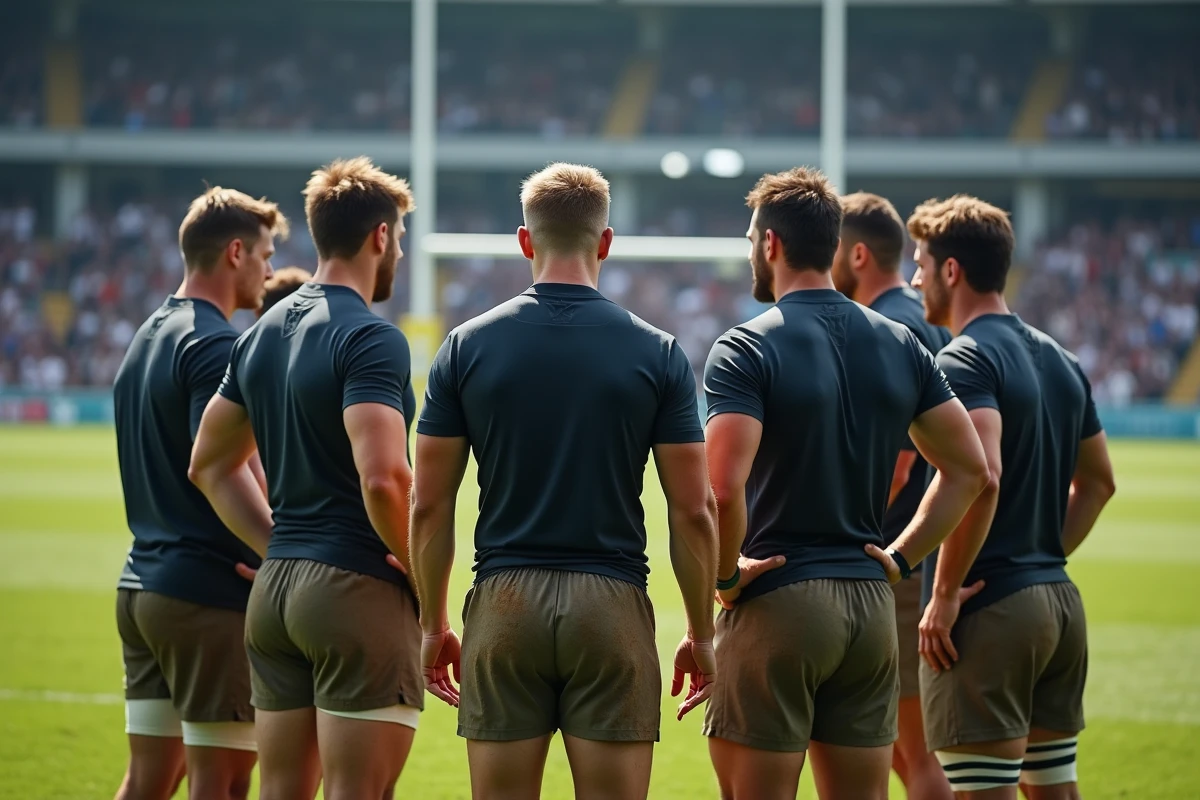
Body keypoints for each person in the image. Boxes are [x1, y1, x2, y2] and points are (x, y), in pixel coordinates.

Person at [408, 162, 719, 800]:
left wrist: (432, 625)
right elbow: (694, 511)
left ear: (525, 241)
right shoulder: (658, 353)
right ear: (605, 243)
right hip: (611, 603)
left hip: (503, 603)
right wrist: (700, 632)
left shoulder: (465, 347)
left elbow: (429, 503)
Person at [700, 167, 992, 800]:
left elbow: (720, 493)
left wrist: (724, 581)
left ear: (770, 245)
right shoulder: (899, 342)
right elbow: (971, 470)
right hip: (868, 608)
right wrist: (900, 557)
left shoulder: (745, 348)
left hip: (779, 598)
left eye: (753, 238)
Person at [189, 157, 421, 800]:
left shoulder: (259, 332)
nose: (397, 252)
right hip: (353, 589)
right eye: (399, 238)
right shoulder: (371, 338)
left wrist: (277, 548)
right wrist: (423, 575)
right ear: (380, 236)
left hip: (276, 595)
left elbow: (209, 464)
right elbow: (384, 480)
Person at [909, 195, 1116, 799]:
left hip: (990, 611)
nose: (914, 278)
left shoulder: (964, 357)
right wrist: (1042, 553)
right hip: (1056, 600)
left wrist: (944, 593)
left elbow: (982, 474)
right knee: (1056, 790)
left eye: (922, 262)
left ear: (952, 270)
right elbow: (1100, 483)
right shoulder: (1062, 358)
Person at [112, 187, 287, 800]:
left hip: (143, 586)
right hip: (207, 594)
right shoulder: (214, 342)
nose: (270, 271)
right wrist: (282, 555)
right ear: (235, 252)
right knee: (225, 783)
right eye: (265, 254)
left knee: (148, 780)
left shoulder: (147, 334)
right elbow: (222, 467)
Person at [831, 191, 955, 800]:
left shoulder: (893, 326)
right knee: (896, 752)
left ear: (856, 254)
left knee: (909, 750)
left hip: (891, 558)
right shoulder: (922, 316)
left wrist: (853, 534)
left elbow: (900, 462)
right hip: (914, 553)